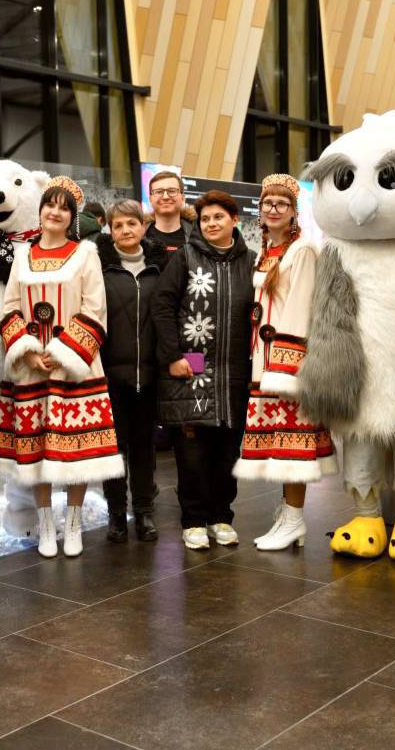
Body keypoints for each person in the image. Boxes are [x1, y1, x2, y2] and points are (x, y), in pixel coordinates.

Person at [0, 176, 125, 558]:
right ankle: (46, 522)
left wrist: (63, 352)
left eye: (63, 207)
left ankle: (73, 522)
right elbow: (9, 309)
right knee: (36, 451)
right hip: (32, 368)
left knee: (75, 453)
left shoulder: (86, 254)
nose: (55, 212)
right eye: (50, 205)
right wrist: (29, 351)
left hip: (74, 367)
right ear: (41, 211)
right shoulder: (22, 255)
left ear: (72, 217)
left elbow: (95, 310)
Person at [233, 176, 337, 551]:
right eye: (267, 203)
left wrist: (285, 366)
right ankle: (286, 514)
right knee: (278, 443)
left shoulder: (303, 250)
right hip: (263, 361)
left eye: (281, 203)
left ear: (294, 212)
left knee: (293, 446)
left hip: (288, 363)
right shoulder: (265, 252)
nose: (273, 208)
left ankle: (294, 519)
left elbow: (301, 308)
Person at [153, 190, 255, 550]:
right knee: (192, 451)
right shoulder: (185, 257)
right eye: (206, 218)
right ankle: (194, 519)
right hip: (191, 367)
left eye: (219, 217)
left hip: (235, 374)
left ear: (234, 220)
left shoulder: (251, 262)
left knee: (228, 451)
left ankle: (221, 516)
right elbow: (162, 306)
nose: (211, 224)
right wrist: (172, 355)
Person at [97, 199, 168, 543]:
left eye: (131, 224)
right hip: (111, 374)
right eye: (118, 226)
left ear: (143, 226)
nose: (125, 231)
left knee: (144, 446)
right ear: (110, 231)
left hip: (151, 375)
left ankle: (144, 512)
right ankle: (115, 515)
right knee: (113, 448)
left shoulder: (162, 267)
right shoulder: (99, 269)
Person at [144, 171, 195, 253]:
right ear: (150, 199)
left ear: (183, 198)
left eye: (172, 191)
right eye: (159, 192)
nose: (165, 197)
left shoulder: (198, 236)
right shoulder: (139, 235)